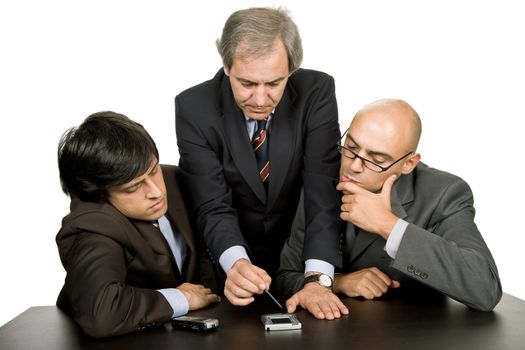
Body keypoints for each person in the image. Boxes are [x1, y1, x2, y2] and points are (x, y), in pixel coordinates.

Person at [175, 7, 344, 308]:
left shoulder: (317, 92)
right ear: (226, 66)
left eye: (274, 83)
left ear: (291, 69)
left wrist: (318, 280)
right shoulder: (194, 108)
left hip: (300, 263)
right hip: (228, 277)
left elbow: (323, 192)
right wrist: (236, 263)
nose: (260, 99)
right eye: (247, 83)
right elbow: (212, 204)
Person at [276, 99, 502, 318]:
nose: (353, 166)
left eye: (376, 160)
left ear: (408, 164)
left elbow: (485, 289)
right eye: (351, 147)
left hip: (413, 335)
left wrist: (389, 225)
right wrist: (338, 283)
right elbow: (286, 276)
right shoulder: (323, 175)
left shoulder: (443, 194)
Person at [56, 111, 220, 338]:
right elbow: (102, 314)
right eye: (133, 187)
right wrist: (181, 298)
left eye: (154, 171)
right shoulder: (93, 226)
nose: (155, 192)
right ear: (100, 194)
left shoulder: (175, 179)